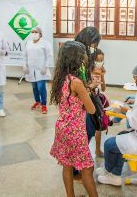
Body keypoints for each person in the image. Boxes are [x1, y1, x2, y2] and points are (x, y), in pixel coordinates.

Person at [49, 41, 98, 197]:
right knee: (87, 169)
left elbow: (72, 99)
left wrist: (86, 89)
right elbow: (91, 109)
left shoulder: (61, 78)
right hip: (75, 131)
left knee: (67, 165)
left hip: (62, 128)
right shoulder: (77, 82)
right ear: (76, 59)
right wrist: (90, 89)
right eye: (82, 54)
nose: (85, 57)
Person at [74, 26, 102, 141]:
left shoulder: (82, 52)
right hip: (79, 100)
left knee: (88, 130)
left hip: (83, 95)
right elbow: (76, 81)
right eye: (94, 44)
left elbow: (83, 76)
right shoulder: (77, 55)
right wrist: (90, 86)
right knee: (86, 131)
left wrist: (90, 80)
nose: (95, 47)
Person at [23, 27, 53, 114]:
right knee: (34, 87)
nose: (34, 33)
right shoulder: (28, 43)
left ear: (40, 34)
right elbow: (24, 55)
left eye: (36, 32)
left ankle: (44, 104)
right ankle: (37, 101)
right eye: (32, 32)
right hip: (31, 70)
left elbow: (49, 55)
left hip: (41, 70)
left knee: (41, 87)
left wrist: (46, 66)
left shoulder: (45, 43)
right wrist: (24, 65)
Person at [91, 48, 106, 157]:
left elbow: (104, 88)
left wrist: (102, 76)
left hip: (96, 97)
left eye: (101, 60)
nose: (99, 63)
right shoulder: (88, 70)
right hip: (88, 96)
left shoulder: (102, 70)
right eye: (97, 60)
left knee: (99, 124)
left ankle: (97, 149)